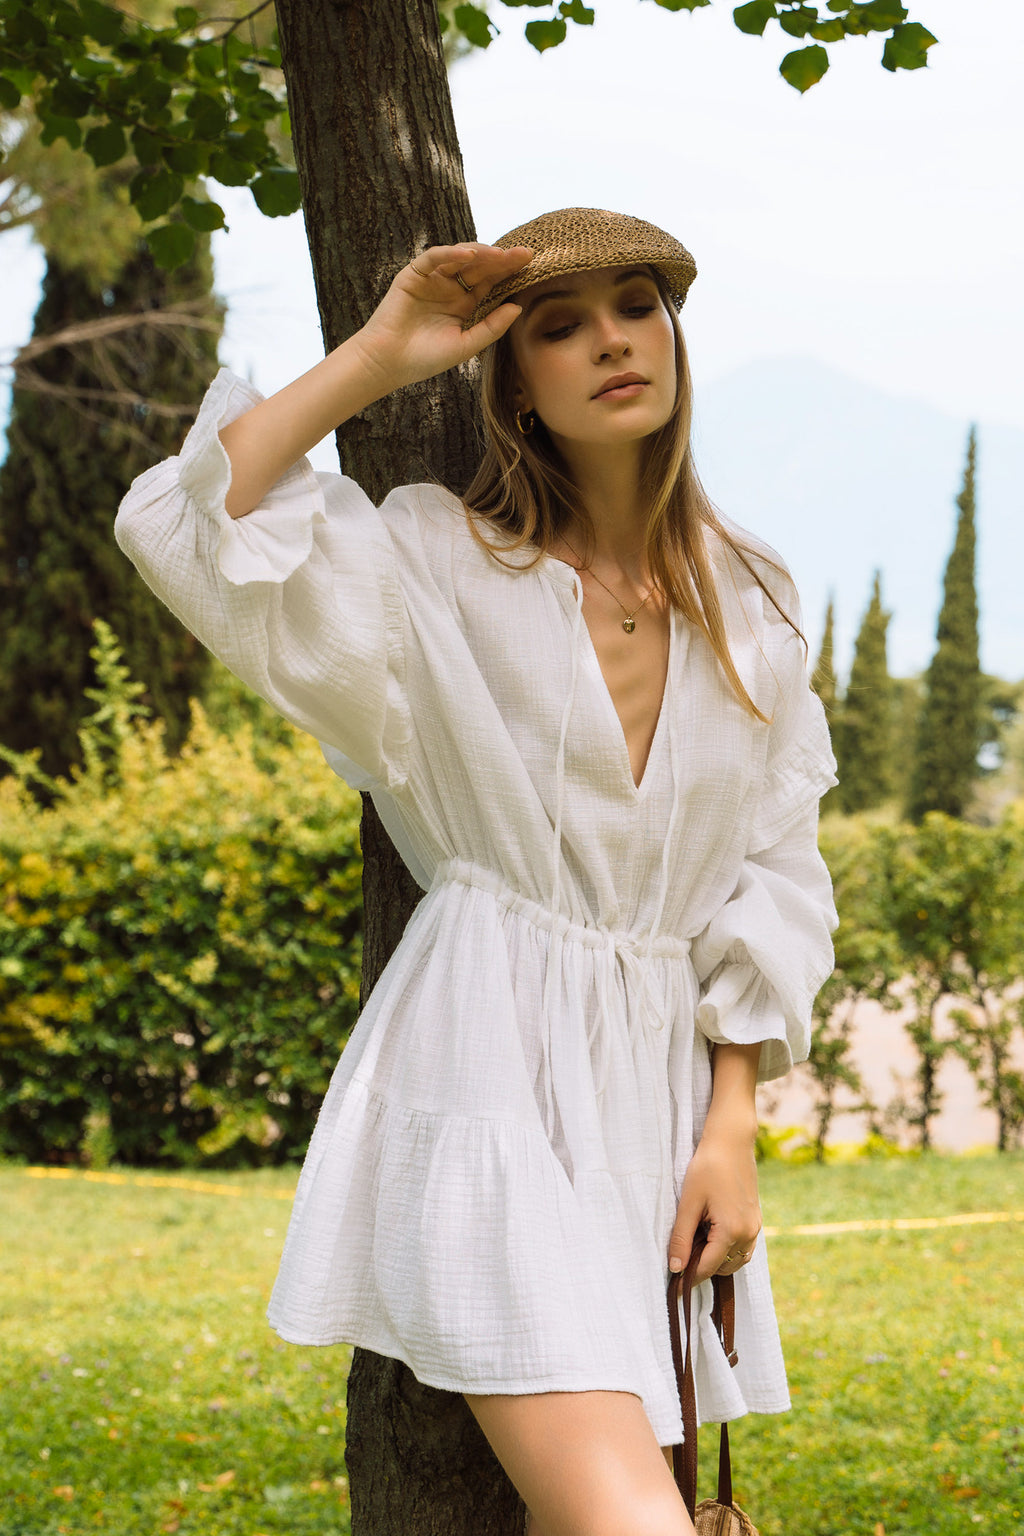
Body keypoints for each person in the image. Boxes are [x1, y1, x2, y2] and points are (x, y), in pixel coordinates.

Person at [115, 207, 837, 1536]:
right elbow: (186, 520)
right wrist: (382, 358)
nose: (613, 341)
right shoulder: (437, 559)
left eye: (637, 306)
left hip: (661, 1107)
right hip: (485, 1067)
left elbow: (775, 874)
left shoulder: (756, 595)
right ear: (512, 380)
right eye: (560, 328)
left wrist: (732, 1126)